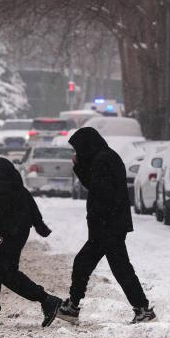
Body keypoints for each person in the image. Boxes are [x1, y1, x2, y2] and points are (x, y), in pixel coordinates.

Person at [0, 130, 63, 329]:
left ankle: (47, 301)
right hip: (9, 228)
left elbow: (1, 204)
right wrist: (38, 222)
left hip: (11, 230)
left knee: (6, 273)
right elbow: (24, 194)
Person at [59, 127, 156, 324]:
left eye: (78, 149)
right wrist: (80, 167)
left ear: (87, 146)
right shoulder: (104, 157)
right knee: (117, 268)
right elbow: (96, 186)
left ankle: (73, 307)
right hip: (110, 225)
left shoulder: (103, 160)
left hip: (107, 226)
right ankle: (141, 309)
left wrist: (100, 220)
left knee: (88, 265)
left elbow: (101, 192)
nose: (77, 153)